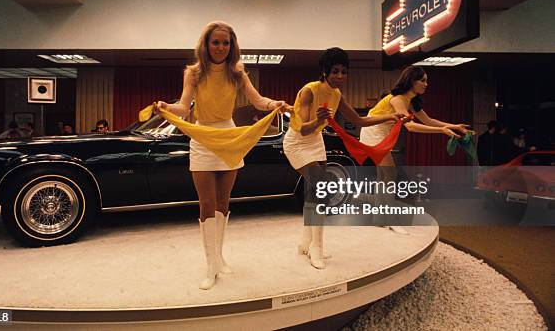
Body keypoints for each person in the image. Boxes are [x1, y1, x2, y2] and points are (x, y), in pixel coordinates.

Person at [154, 21, 289, 290]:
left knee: (223, 203)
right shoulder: (193, 72)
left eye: (225, 43)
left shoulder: (237, 72)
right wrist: (166, 106)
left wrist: (275, 104)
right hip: (203, 137)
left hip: (229, 136)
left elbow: (258, 100)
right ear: (206, 44)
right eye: (215, 42)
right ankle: (209, 265)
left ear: (232, 46)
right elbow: (183, 106)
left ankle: (219, 257)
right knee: (206, 204)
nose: (220, 47)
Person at [283, 47, 405, 270]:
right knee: (320, 188)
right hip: (297, 142)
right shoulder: (308, 91)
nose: (340, 76)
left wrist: (390, 115)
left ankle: (306, 242)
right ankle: (316, 248)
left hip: (316, 141)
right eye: (335, 72)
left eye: (343, 72)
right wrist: (318, 119)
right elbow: (302, 129)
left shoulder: (337, 95)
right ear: (325, 71)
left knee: (315, 190)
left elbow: (358, 121)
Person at [360, 65, 468, 234]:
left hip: (380, 133)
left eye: (427, 81)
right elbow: (409, 126)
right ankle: (388, 219)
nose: (426, 84)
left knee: (385, 176)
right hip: (373, 132)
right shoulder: (397, 99)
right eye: (423, 80)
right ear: (412, 81)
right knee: (390, 174)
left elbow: (428, 120)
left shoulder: (410, 100)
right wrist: (441, 131)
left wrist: (454, 126)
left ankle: (380, 218)